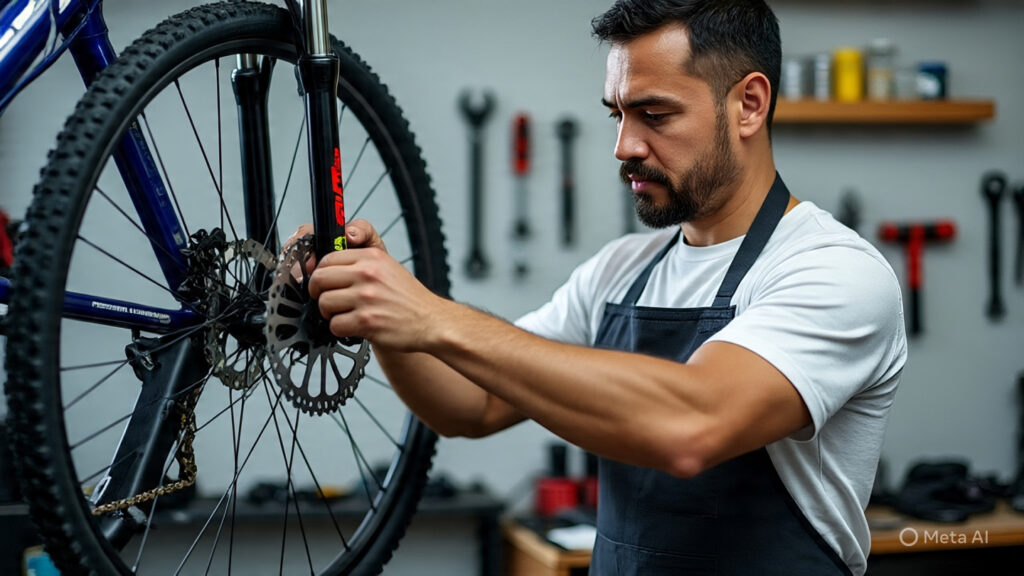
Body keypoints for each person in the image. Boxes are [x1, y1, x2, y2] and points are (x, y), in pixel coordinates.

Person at [297, 1, 907, 573]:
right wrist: (374, 305)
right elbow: (471, 404)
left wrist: (434, 317)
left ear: (749, 104)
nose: (624, 147)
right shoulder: (621, 271)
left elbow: (692, 424)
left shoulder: (833, 271)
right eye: (617, 115)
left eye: (655, 115)